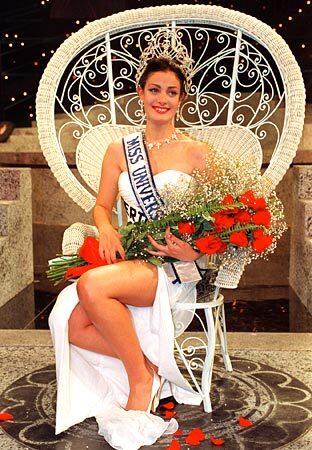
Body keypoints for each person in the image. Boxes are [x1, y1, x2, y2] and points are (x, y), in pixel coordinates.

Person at [49, 28, 213, 450]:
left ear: (181, 99)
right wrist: (104, 227)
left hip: (174, 265)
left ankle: (140, 381)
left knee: (89, 286)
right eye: (154, 89)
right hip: (133, 259)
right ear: (140, 93)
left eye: (171, 92)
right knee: (69, 322)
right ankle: (147, 365)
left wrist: (193, 248)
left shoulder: (197, 152)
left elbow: (223, 220)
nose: (162, 98)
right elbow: (102, 206)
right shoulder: (118, 150)